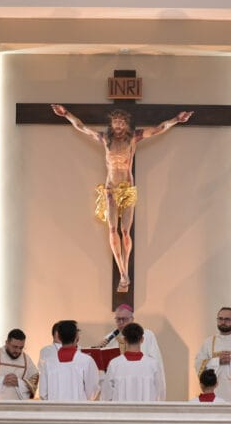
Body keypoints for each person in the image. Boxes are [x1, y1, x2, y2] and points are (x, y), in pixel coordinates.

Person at [51, 104, 193, 292]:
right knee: (112, 230)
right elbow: (82, 127)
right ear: (111, 124)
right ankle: (123, 272)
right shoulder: (105, 139)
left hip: (127, 189)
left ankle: (124, 270)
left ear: (126, 124)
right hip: (111, 188)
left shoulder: (133, 138)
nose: (118, 126)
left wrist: (176, 120)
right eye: (115, 122)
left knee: (125, 232)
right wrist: (66, 114)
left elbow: (159, 128)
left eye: (121, 122)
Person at [101, 323, 165, 402]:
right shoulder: (153, 365)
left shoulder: (114, 364)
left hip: (121, 410)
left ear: (124, 340)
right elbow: (160, 393)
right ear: (142, 339)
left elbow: (106, 395)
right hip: (147, 409)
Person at [38, 320, 99, 401]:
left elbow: (43, 393)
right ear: (76, 336)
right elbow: (92, 391)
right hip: (79, 408)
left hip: (55, 408)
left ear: (59, 337)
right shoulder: (86, 361)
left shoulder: (48, 362)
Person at [0, 328, 39, 400]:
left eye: (21, 348)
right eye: (15, 347)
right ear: (6, 343)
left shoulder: (26, 360)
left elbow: (34, 381)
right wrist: (1, 380)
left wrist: (19, 383)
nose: (18, 351)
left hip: (17, 405)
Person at [99, 304, 164, 375]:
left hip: (142, 375)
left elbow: (156, 360)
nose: (121, 322)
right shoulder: (109, 338)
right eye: (118, 319)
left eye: (124, 319)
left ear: (132, 319)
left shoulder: (147, 335)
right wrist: (100, 350)